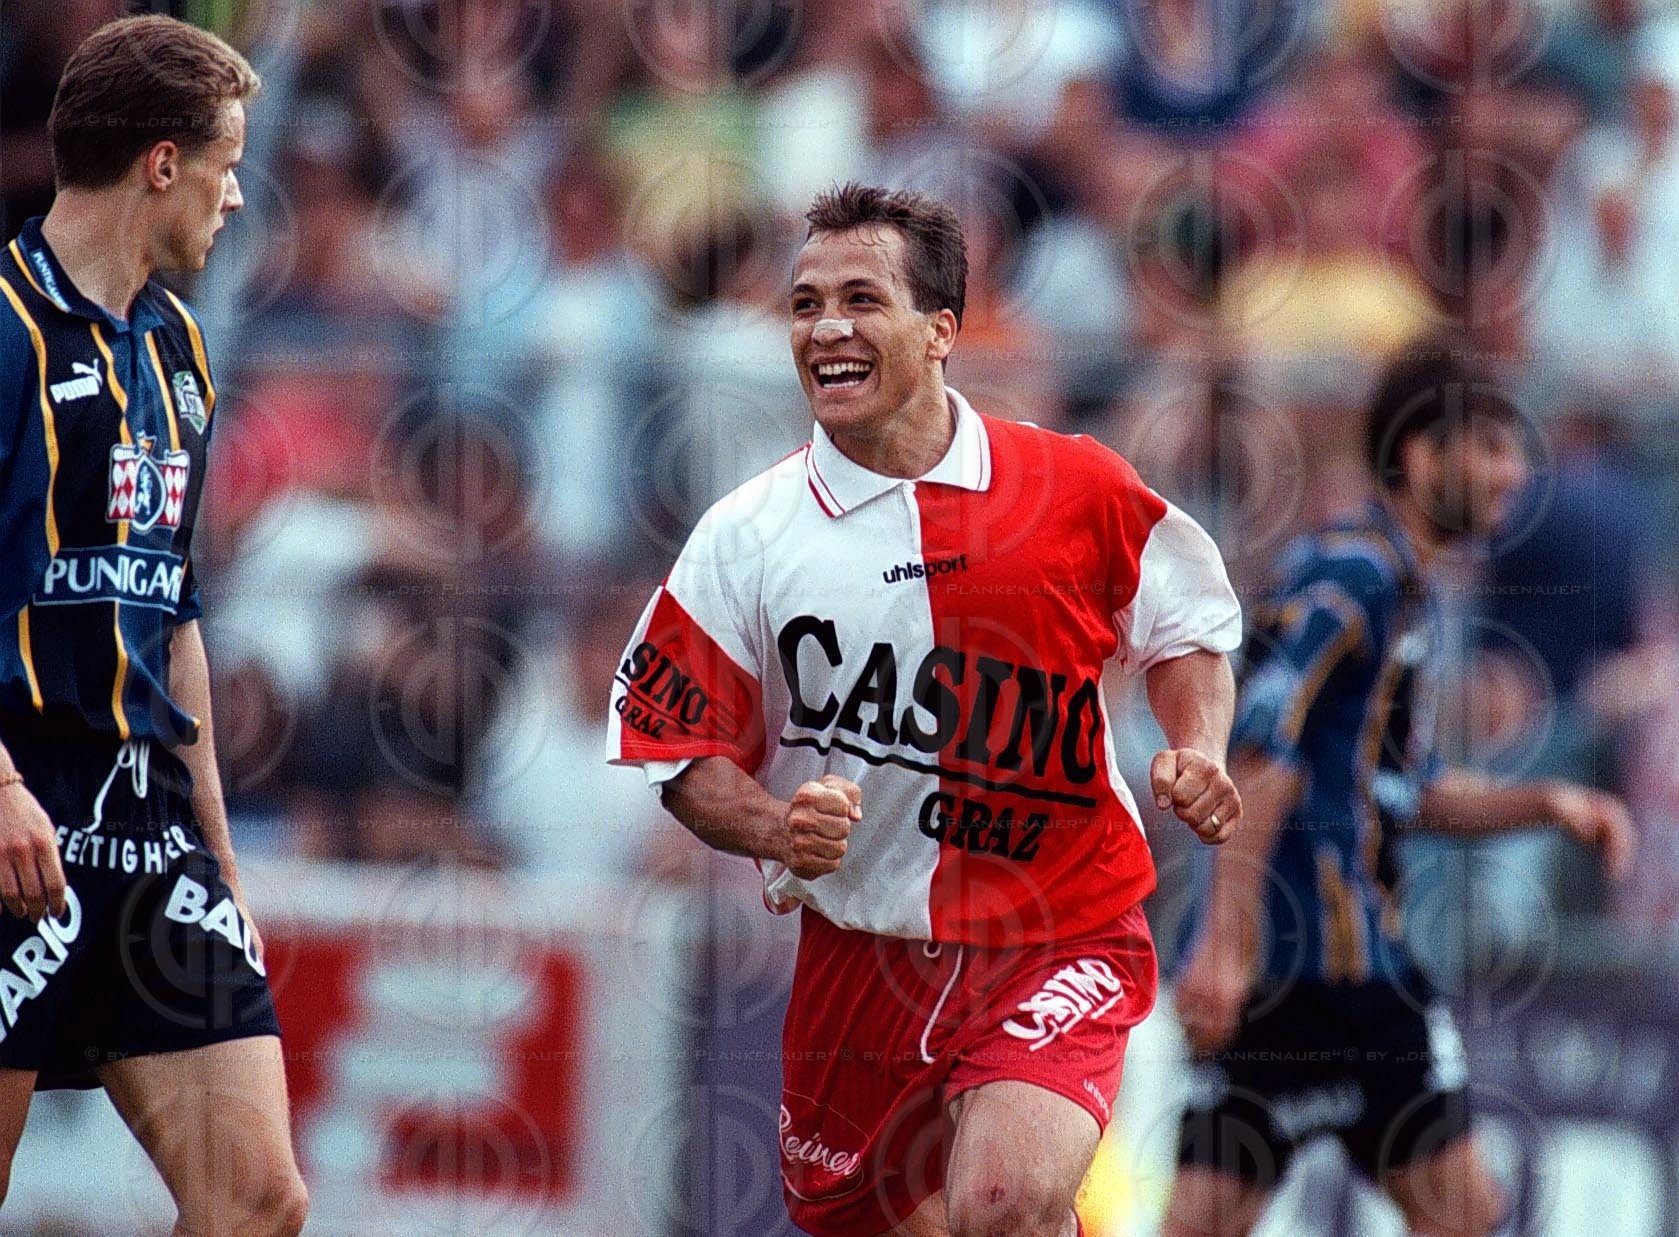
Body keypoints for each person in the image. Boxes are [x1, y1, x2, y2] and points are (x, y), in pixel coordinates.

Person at [608, 182, 1246, 1237]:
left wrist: (1197, 745)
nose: (826, 328)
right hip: (859, 957)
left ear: (941, 329)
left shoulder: (1072, 486)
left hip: (1059, 926)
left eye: (860, 299)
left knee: (1002, 1200)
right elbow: (673, 748)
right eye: (805, 304)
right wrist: (775, 827)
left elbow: (1186, 624)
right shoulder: (745, 535)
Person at [1163, 348, 1636, 1237]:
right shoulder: (1355, 574)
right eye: (1490, 447)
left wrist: (1546, 804)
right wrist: (1222, 946)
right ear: (1422, 457)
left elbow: (1396, 789)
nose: (1515, 473)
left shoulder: (1399, 583)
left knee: (1206, 1224)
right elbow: (1261, 750)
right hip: (1327, 974)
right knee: (1462, 1215)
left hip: (1310, 975)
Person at [0, 16, 307, 1234]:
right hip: (14, 811)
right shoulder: (6, 328)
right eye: (226, 166)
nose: (235, 196)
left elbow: (173, 608)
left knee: (258, 1199)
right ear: (163, 163)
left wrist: (216, 853)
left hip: (144, 822)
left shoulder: (180, 348)